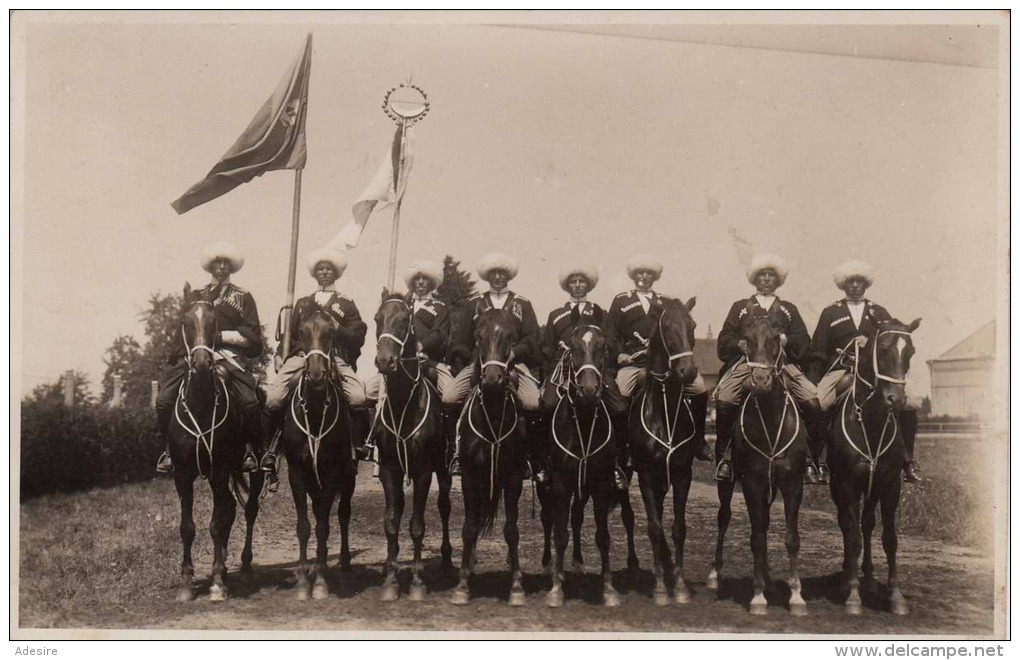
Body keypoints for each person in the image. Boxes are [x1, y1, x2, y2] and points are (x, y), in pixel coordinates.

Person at [714, 253, 828, 484]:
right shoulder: (740, 308)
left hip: (781, 364)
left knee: (812, 402)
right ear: (755, 280)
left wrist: (787, 340)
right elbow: (724, 337)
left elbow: (803, 340)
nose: (766, 280)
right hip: (747, 364)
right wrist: (739, 343)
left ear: (778, 281)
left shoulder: (788, 309)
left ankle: (809, 458)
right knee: (725, 399)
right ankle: (726, 457)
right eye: (762, 276)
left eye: (771, 276)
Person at [258, 248, 374, 474]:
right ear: (315, 273)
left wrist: (338, 328)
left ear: (335, 273)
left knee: (358, 397)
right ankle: (269, 451)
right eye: (320, 269)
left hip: (335, 356)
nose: (324, 272)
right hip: (302, 356)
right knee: (273, 399)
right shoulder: (302, 303)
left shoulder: (346, 304)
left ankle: (359, 445)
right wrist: (280, 355)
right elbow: (288, 335)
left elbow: (358, 336)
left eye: (328, 269)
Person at [155, 242, 265, 474]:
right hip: (196, 354)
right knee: (164, 398)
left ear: (231, 267)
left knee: (249, 401)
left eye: (225, 264)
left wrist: (222, 335)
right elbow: (185, 328)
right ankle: (168, 448)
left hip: (228, 356)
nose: (221, 268)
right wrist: (183, 351)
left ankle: (250, 451)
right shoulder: (198, 295)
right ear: (211, 267)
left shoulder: (243, 296)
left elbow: (253, 336)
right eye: (217, 264)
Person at [808, 260, 922, 482]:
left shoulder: (879, 312)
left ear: (866, 285)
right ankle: (816, 460)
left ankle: (908, 460)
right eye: (851, 282)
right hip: (841, 369)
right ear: (843, 285)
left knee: (910, 405)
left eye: (860, 282)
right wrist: (815, 379)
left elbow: (892, 341)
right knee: (819, 403)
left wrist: (869, 341)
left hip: (875, 375)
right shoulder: (831, 312)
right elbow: (818, 350)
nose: (855, 286)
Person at [438, 252, 546, 481]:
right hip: (481, 363)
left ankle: (530, 458)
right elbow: (461, 339)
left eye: (502, 273)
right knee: (449, 396)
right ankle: (456, 453)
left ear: (508, 276)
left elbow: (531, 337)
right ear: (488, 277)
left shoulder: (522, 304)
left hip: (513, 363)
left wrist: (515, 353)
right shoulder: (474, 303)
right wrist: (470, 359)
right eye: (494, 274)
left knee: (532, 401)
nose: (498, 277)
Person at [606, 255, 714, 482]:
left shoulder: (667, 302)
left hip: (665, 365)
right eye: (640, 274)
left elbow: (680, 331)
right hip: (633, 364)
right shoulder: (621, 301)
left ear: (654, 277)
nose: (644, 278)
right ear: (634, 276)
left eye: (649, 274)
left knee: (700, 389)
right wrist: (620, 354)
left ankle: (698, 441)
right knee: (621, 395)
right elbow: (612, 334)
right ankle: (623, 450)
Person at [539, 265, 631, 489]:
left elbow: (608, 343)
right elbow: (546, 349)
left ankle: (618, 464)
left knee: (619, 408)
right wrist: (545, 378)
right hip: (562, 369)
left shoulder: (599, 313)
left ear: (588, 285)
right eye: (574, 282)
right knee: (547, 405)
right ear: (567, 286)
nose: (578, 285)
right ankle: (545, 464)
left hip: (594, 369)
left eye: (581, 281)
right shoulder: (556, 315)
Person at [362, 259, 451, 462]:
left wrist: (422, 346)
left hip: (430, 362)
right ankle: (370, 439)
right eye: (417, 279)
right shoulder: (401, 305)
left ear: (432, 283)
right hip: (400, 363)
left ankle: (450, 447)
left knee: (450, 395)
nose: (420, 282)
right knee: (369, 391)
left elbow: (441, 333)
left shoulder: (439, 307)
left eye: (425, 279)